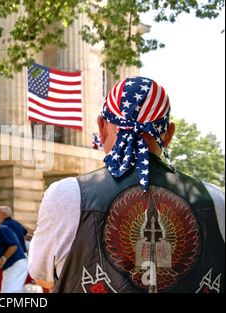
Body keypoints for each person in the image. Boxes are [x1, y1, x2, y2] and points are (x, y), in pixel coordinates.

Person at [28, 76, 225, 293]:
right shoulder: (215, 199)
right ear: (168, 134)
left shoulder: (65, 195)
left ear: (102, 127)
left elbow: (42, 278)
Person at [0, 217, 28, 293]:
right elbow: (2, 257)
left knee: (11, 291)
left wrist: (3, 258)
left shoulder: (3, 229)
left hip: (16, 265)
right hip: (10, 267)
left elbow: (14, 245)